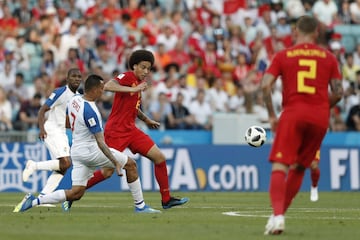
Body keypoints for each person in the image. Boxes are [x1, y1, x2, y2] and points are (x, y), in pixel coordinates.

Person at [13, 74, 160, 213]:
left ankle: (33, 201)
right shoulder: (91, 112)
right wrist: (115, 162)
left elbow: (68, 121)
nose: (103, 91)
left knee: (75, 193)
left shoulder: (75, 99)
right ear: (95, 90)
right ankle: (140, 206)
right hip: (90, 151)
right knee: (131, 165)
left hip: (76, 152)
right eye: (102, 89)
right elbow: (101, 143)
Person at [260, 16, 343, 235]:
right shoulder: (329, 58)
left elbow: (265, 84)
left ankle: (278, 216)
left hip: (293, 113)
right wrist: (322, 105)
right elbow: (339, 92)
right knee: (299, 167)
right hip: (319, 119)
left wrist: (271, 115)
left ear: (295, 32)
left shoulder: (284, 55)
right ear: (316, 33)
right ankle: (278, 216)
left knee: (280, 165)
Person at [78, 49, 189, 210]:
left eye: (148, 68)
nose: (146, 71)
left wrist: (146, 119)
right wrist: (133, 89)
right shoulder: (128, 77)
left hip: (131, 130)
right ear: (134, 66)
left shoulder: (137, 84)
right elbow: (108, 85)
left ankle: (166, 199)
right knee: (107, 172)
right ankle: (73, 193)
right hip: (116, 131)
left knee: (159, 158)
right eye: (143, 67)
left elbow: (134, 108)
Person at [20, 68, 82, 208]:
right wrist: (42, 128)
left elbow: (68, 118)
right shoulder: (60, 92)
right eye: (73, 76)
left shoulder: (78, 97)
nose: (77, 79)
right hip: (51, 130)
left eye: (79, 76)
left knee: (64, 167)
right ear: (67, 79)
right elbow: (43, 109)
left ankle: (43, 197)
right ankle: (33, 165)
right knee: (66, 163)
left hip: (62, 132)